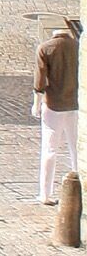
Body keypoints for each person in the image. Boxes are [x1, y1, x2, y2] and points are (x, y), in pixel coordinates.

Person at [35, 14, 80, 204]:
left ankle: (45, 193)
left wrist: (36, 104)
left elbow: (40, 81)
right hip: (74, 103)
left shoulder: (45, 48)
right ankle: (81, 186)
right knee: (76, 148)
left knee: (50, 149)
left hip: (53, 104)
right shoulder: (77, 46)